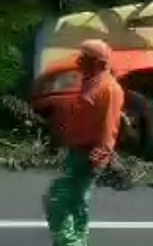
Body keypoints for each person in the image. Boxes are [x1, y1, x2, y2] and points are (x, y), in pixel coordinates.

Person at [43, 39, 131, 246]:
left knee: (59, 200)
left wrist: (100, 157)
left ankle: (69, 243)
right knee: (77, 202)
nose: (80, 61)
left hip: (88, 154)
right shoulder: (91, 82)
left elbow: (109, 128)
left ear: (98, 63)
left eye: (85, 58)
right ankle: (77, 241)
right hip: (77, 151)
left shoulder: (109, 89)